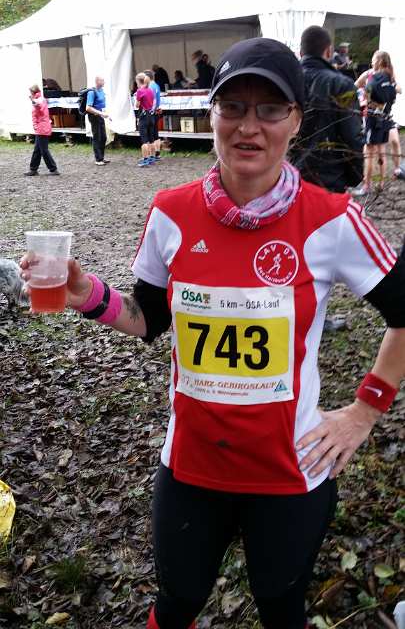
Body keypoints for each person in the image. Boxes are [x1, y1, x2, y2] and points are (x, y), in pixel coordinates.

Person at [21, 37, 405, 629]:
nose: (249, 126)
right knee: (176, 602)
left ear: (295, 120)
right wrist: (84, 295)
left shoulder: (332, 219)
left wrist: (363, 412)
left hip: (289, 472)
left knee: (281, 608)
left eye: (269, 109)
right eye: (233, 107)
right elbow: (150, 318)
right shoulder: (171, 211)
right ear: (212, 114)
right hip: (191, 468)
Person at [291, 25, 363, 194]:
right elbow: (351, 136)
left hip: (290, 176)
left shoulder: (287, 82)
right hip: (330, 177)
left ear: (301, 53)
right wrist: (355, 176)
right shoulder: (341, 85)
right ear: (329, 51)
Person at [354, 51, 400, 194]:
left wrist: (363, 96)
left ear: (379, 61)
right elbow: (397, 90)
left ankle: (366, 186)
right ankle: (381, 184)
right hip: (385, 118)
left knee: (369, 152)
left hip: (372, 119)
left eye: (373, 59)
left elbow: (359, 91)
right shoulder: (390, 76)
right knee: (381, 151)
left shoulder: (370, 75)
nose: (371, 62)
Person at [24, 84, 60, 177]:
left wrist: (33, 101)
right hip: (42, 127)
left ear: (33, 92)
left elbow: (38, 107)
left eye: (30, 92)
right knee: (37, 150)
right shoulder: (41, 99)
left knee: (44, 150)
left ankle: (53, 169)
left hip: (42, 128)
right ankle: (33, 169)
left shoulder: (38, 100)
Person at [86, 76, 110, 166]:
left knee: (103, 137)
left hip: (100, 116)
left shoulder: (102, 91)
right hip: (94, 117)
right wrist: (100, 113)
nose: (104, 82)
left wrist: (105, 114)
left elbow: (102, 104)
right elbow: (88, 108)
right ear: (97, 81)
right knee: (97, 137)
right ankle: (98, 159)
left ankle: (101, 157)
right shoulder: (92, 92)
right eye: (102, 80)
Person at [134, 73, 156, 167]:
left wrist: (136, 99)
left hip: (143, 116)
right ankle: (152, 158)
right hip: (151, 115)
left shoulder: (140, 91)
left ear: (138, 81)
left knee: (144, 140)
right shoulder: (150, 90)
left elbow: (137, 105)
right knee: (151, 139)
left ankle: (145, 159)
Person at [145, 70, 162, 159]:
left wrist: (151, 110)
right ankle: (157, 153)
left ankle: (151, 154)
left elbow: (152, 100)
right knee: (155, 133)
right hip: (156, 111)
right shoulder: (156, 85)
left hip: (151, 112)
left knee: (150, 133)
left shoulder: (150, 86)